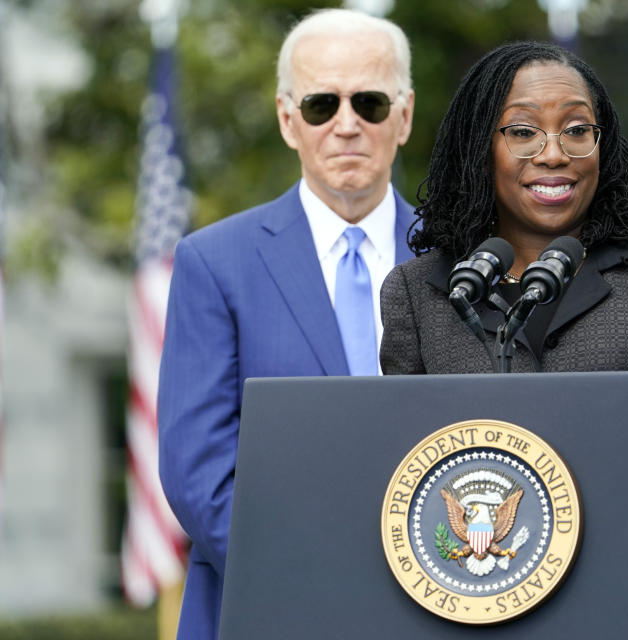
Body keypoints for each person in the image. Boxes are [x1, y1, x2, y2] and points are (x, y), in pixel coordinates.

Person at [158, 9, 416, 639]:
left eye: (371, 102)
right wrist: (325, 575)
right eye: (322, 104)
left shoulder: (465, 258)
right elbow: (198, 473)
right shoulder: (214, 264)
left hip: (439, 604)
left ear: (403, 116)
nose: (346, 125)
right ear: (287, 119)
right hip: (270, 607)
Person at [380, 41, 628, 390]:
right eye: (523, 131)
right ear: (480, 151)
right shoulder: (418, 295)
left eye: (577, 129)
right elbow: (410, 459)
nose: (553, 154)